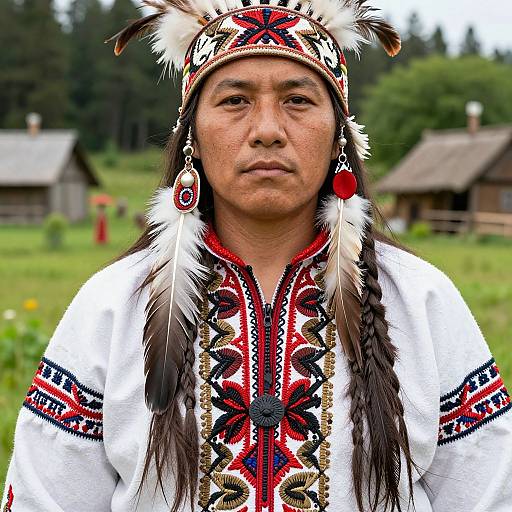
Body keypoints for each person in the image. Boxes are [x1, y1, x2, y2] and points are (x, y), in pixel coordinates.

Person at [2, 0, 512, 511]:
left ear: (338, 133)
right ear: (193, 138)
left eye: (297, 100)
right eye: (234, 101)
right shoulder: (111, 307)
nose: (267, 128)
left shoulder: (423, 303)